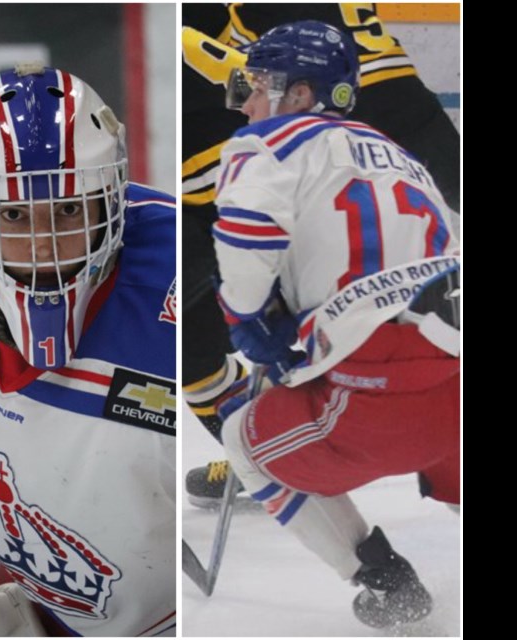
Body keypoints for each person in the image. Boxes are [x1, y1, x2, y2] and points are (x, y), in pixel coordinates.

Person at [0, 64, 177, 636]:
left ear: (114, 203)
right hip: (46, 598)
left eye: (70, 210)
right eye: (15, 214)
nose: (43, 247)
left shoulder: (177, 284)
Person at [211, 20, 459, 628]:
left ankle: (384, 580)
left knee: (242, 439)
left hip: (376, 396)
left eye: (257, 84)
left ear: (300, 94)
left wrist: (244, 315)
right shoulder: (400, 155)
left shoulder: (268, 144)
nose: (246, 101)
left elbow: (249, 236)